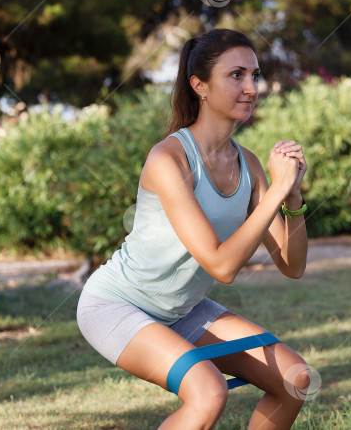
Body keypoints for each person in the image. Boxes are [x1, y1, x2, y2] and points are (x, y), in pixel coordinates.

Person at [77, 28, 311, 429]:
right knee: (207, 392)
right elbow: (222, 266)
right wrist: (275, 194)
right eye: (236, 75)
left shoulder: (249, 165)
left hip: (183, 310)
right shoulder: (169, 159)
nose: (251, 87)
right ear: (199, 85)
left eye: (255, 75)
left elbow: (292, 265)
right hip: (118, 305)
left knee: (294, 379)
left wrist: (291, 197)